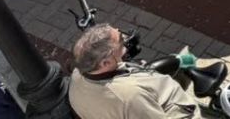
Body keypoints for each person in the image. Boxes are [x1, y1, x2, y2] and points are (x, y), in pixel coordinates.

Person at [67, 23, 203, 119]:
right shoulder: (131, 97)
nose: (125, 39)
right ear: (105, 63)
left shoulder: (78, 73)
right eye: (121, 40)